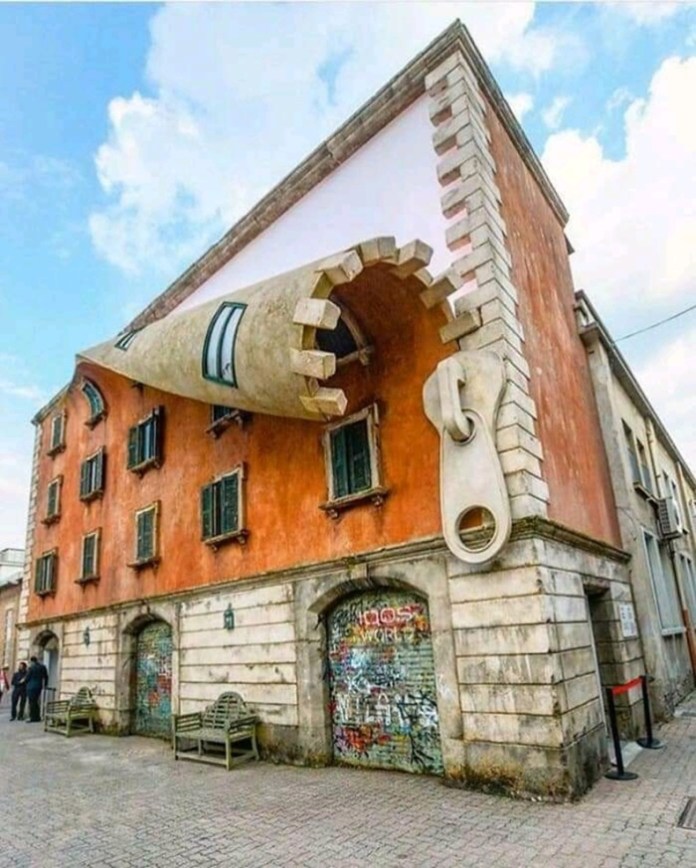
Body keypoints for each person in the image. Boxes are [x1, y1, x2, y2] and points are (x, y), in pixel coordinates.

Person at [25, 655, 49, 723]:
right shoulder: (43, 667)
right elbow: (46, 676)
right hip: (39, 686)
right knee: (35, 702)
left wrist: (24, 681)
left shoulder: (31, 668)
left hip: (31, 687)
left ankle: (32, 717)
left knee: (32, 702)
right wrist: (45, 685)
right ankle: (37, 716)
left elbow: (27, 678)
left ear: (32, 661)